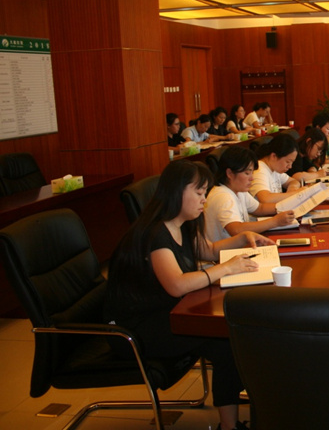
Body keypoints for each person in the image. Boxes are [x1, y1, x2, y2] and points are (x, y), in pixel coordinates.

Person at [105, 160, 272, 430]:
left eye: (205, 192)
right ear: (176, 191)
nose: (204, 199)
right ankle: (229, 426)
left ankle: (234, 418)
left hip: (166, 312)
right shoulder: (155, 233)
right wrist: (226, 268)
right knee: (228, 342)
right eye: (199, 192)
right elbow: (176, 285)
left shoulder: (183, 223)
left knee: (230, 341)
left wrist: (244, 238)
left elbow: (209, 250)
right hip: (136, 330)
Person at [203, 147, 296, 242]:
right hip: (227, 251)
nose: (252, 178)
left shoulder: (238, 190)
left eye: (252, 173)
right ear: (230, 173)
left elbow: (260, 208)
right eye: (247, 173)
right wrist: (275, 221)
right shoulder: (222, 195)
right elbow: (236, 229)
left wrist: (288, 206)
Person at [250, 134, 304, 204]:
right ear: (274, 156)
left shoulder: (274, 168)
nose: (290, 166)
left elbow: (294, 181)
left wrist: (292, 189)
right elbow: (265, 199)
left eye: (292, 162)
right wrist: (294, 194)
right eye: (288, 162)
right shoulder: (259, 170)